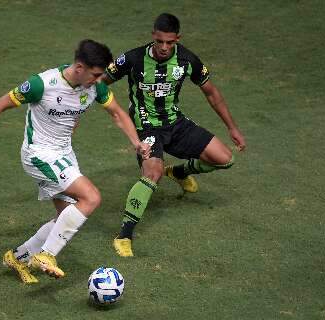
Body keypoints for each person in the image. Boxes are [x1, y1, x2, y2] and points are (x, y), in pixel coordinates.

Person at [0, 39, 151, 284]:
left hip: (64, 154)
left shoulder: (94, 87)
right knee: (91, 197)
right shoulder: (42, 84)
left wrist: (136, 142)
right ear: (79, 67)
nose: (99, 80)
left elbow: (118, 113)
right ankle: (46, 255)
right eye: (96, 74)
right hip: (39, 155)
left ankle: (18, 257)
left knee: (66, 216)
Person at [102, 13, 246, 257]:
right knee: (153, 172)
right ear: (153, 37)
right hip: (145, 126)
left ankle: (179, 172)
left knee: (224, 158)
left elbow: (212, 93)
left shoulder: (187, 60)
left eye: (170, 42)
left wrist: (232, 127)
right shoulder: (133, 58)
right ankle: (124, 235)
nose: (164, 47)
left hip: (175, 123)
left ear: (177, 39)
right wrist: (116, 112)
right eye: (160, 41)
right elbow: (100, 82)